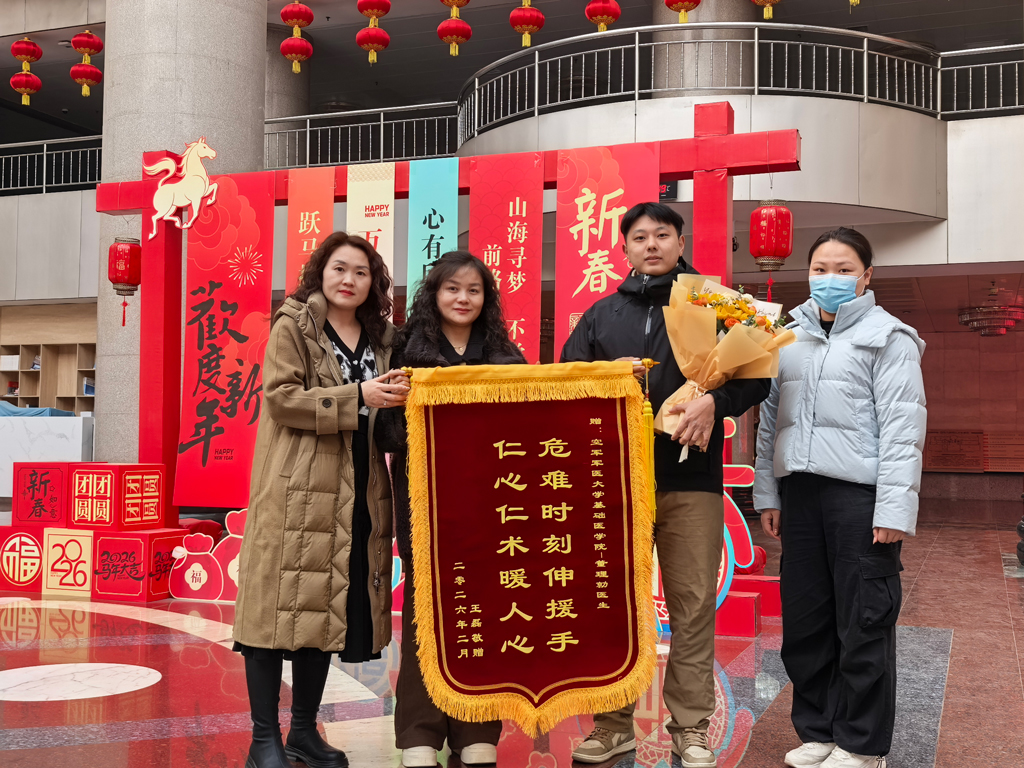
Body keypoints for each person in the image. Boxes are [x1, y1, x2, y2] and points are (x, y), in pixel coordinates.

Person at [561, 203, 770, 768]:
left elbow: (757, 377)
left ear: (681, 242)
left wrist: (714, 401)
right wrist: (608, 377)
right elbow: (566, 378)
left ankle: (692, 728)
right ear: (624, 248)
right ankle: (611, 726)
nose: (650, 245)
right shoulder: (601, 314)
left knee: (693, 603)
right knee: (612, 605)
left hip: (691, 478)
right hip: (613, 482)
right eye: (638, 237)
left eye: (662, 234)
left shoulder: (718, 304)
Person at [232, 231, 410, 768]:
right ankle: (263, 739)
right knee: (272, 613)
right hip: (297, 489)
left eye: (361, 272)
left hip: (360, 488)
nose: (349, 280)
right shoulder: (293, 325)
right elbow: (282, 399)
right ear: (320, 273)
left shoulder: (383, 338)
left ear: (374, 283)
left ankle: (304, 732)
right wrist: (359, 395)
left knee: (326, 610)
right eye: (339, 269)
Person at [754, 227, 926, 768]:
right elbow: (768, 423)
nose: (830, 279)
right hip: (800, 494)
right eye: (820, 269)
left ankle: (861, 743)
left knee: (863, 620)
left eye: (844, 269)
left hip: (859, 497)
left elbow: (903, 429)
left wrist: (893, 508)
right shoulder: (786, 337)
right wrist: (768, 493)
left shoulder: (889, 337)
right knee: (806, 620)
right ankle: (819, 731)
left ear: (866, 276)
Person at [377, 251, 525, 768]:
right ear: (434, 294)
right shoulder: (405, 351)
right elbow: (386, 433)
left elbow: (531, 427)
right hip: (424, 497)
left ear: (486, 299)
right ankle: (418, 732)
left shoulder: (506, 356)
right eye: (452, 288)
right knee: (426, 605)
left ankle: (476, 730)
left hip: (493, 499)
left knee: (486, 608)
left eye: (474, 290)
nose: (463, 298)